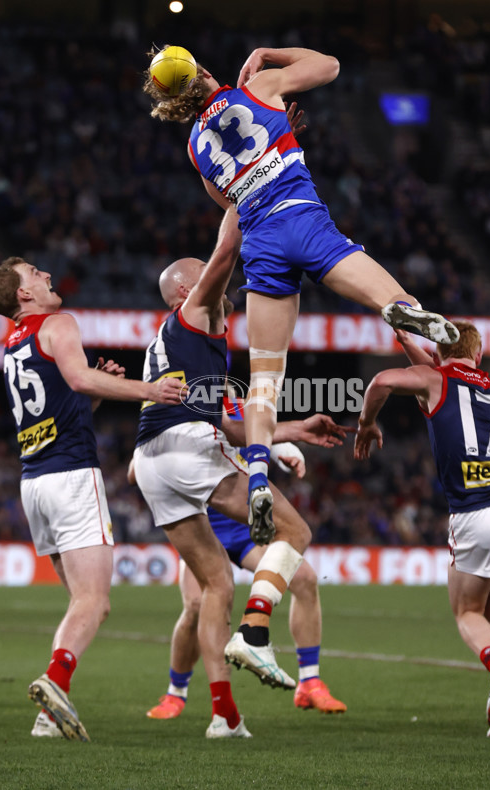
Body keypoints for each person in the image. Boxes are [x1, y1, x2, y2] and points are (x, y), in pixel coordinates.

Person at [143, 45, 460, 546]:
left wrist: (271, 145)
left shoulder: (196, 149)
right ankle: (405, 314)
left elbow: (232, 205)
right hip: (303, 218)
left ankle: (259, 478)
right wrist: (266, 57)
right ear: (204, 70)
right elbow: (331, 65)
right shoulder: (259, 88)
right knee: (394, 300)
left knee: (266, 381)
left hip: (263, 244)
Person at [132, 205, 350, 737]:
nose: (216, 283)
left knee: (215, 588)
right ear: (185, 292)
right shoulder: (194, 314)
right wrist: (248, 180)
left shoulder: (172, 348)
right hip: (188, 449)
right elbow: (226, 251)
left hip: (153, 462)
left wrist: (293, 431)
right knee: (296, 531)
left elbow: (232, 426)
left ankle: (224, 716)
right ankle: (254, 632)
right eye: (201, 277)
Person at [0, 257, 184, 742]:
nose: (47, 275)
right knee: (93, 601)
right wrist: (149, 390)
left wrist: (91, 389)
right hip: (71, 477)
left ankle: (49, 716)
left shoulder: (14, 344)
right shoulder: (58, 323)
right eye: (35, 274)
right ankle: (54, 681)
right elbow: (77, 379)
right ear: (24, 295)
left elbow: (62, 397)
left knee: (86, 602)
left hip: (35, 485)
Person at [353, 322, 490, 737]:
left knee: (468, 612)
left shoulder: (436, 378)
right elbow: (440, 379)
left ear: (438, 353)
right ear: (480, 354)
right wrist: (408, 342)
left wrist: (366, 422)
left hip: (478, 512)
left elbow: (384, 381)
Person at [139, 417, 346, 720]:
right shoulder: (185, 402)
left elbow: (256, 428)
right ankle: (176, 691)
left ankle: (310, 682)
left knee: (304, 578)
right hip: (201, 525)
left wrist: (281, 448)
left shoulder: (240, 403)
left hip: (245, 527)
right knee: (196, 604)